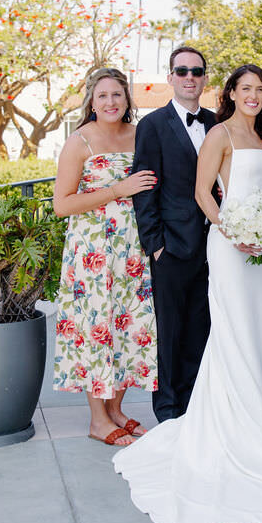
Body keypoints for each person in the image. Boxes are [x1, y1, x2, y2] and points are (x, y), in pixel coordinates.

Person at [113, 65, 262, 523]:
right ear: (232, 93)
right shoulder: (219, 133)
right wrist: (233, 230)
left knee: (261, 330)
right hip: (231, 243)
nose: (254, 95)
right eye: (246, 89)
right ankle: (232, 423)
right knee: (232, 329)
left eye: (260, 89)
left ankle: (261, 414)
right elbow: (202, 192)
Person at [51, 67, 159, 447]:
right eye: (103, 96)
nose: (111, 102)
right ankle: (98, 419)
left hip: (133, 249)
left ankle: (116, 410)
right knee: (97, 327)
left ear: (127, 99)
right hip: (93, 251)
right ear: (92, 102)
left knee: (130, 327)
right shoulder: (80, 141)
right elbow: (62, 205)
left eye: (117, 95)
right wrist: (118, 189)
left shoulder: (139, 134)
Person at [133, 46, 216, 423]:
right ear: (170, 77)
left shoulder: (217, 123)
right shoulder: (152, 126)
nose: (189, 77)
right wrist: (156, 246)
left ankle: (194, 404)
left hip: (215, 245)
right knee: (169, 330)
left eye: (196, 71)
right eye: (181, 71)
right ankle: (167, 409)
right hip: (171, 246)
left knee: (202, 327)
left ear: (204, 78)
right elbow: (145, 188)